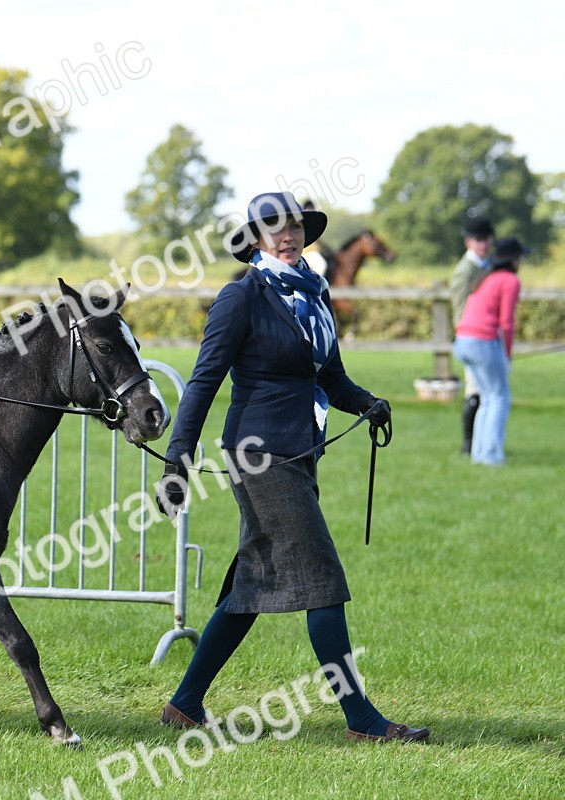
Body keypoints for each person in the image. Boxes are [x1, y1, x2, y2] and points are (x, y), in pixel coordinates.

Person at [155, 191, 429, 743]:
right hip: (259, 457)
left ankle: (184, 704)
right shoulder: (241, 297)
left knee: (252, 586)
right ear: (255, 237)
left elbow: (330, 377)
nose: (287, 235)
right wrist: (176, 460)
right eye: (274, 227)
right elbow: (204, 382)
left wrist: (367, 402)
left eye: (295, 226)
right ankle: (362, 720)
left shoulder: (316, 292)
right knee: (323, 580)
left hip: (301, 451)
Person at [452, 237, 527, 466]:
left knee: (487, 398)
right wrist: (507, 355)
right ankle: (492, 456)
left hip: (463, 340)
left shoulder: (486, 276)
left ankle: (480, 454)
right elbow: (506, 322)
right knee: (499, 398)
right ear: (513, 260)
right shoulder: (510, 280)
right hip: (482, 341)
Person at [449, 217, 496, 454]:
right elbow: (460, 307)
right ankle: (468, 444)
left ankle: (480, 440)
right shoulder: (464, 271)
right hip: (473, 337)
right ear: (468, 242)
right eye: (479, 240)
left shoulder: (487, 265)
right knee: (475, 389)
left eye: (487, 239)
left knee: (485, 390)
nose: (484, 244)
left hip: (486, 335)